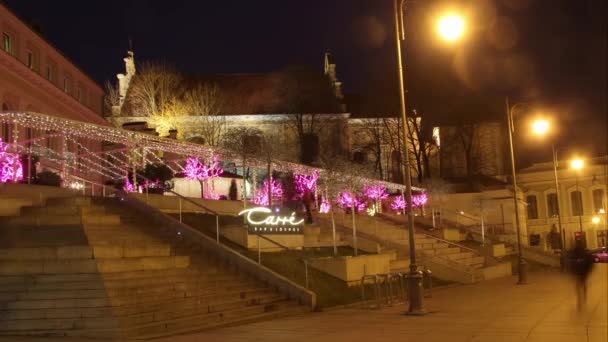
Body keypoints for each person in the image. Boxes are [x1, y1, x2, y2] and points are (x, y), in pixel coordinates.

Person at [567, 241, 594, 310]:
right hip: (583, 272)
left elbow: (570, 262)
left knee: (578, 285)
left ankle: (579, 299)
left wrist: (571, 271)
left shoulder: (573, 252)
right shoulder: (586, 252)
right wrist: (588, 271)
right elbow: (590, 262)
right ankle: (583, 296)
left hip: (577, 272)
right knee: (583, 284)